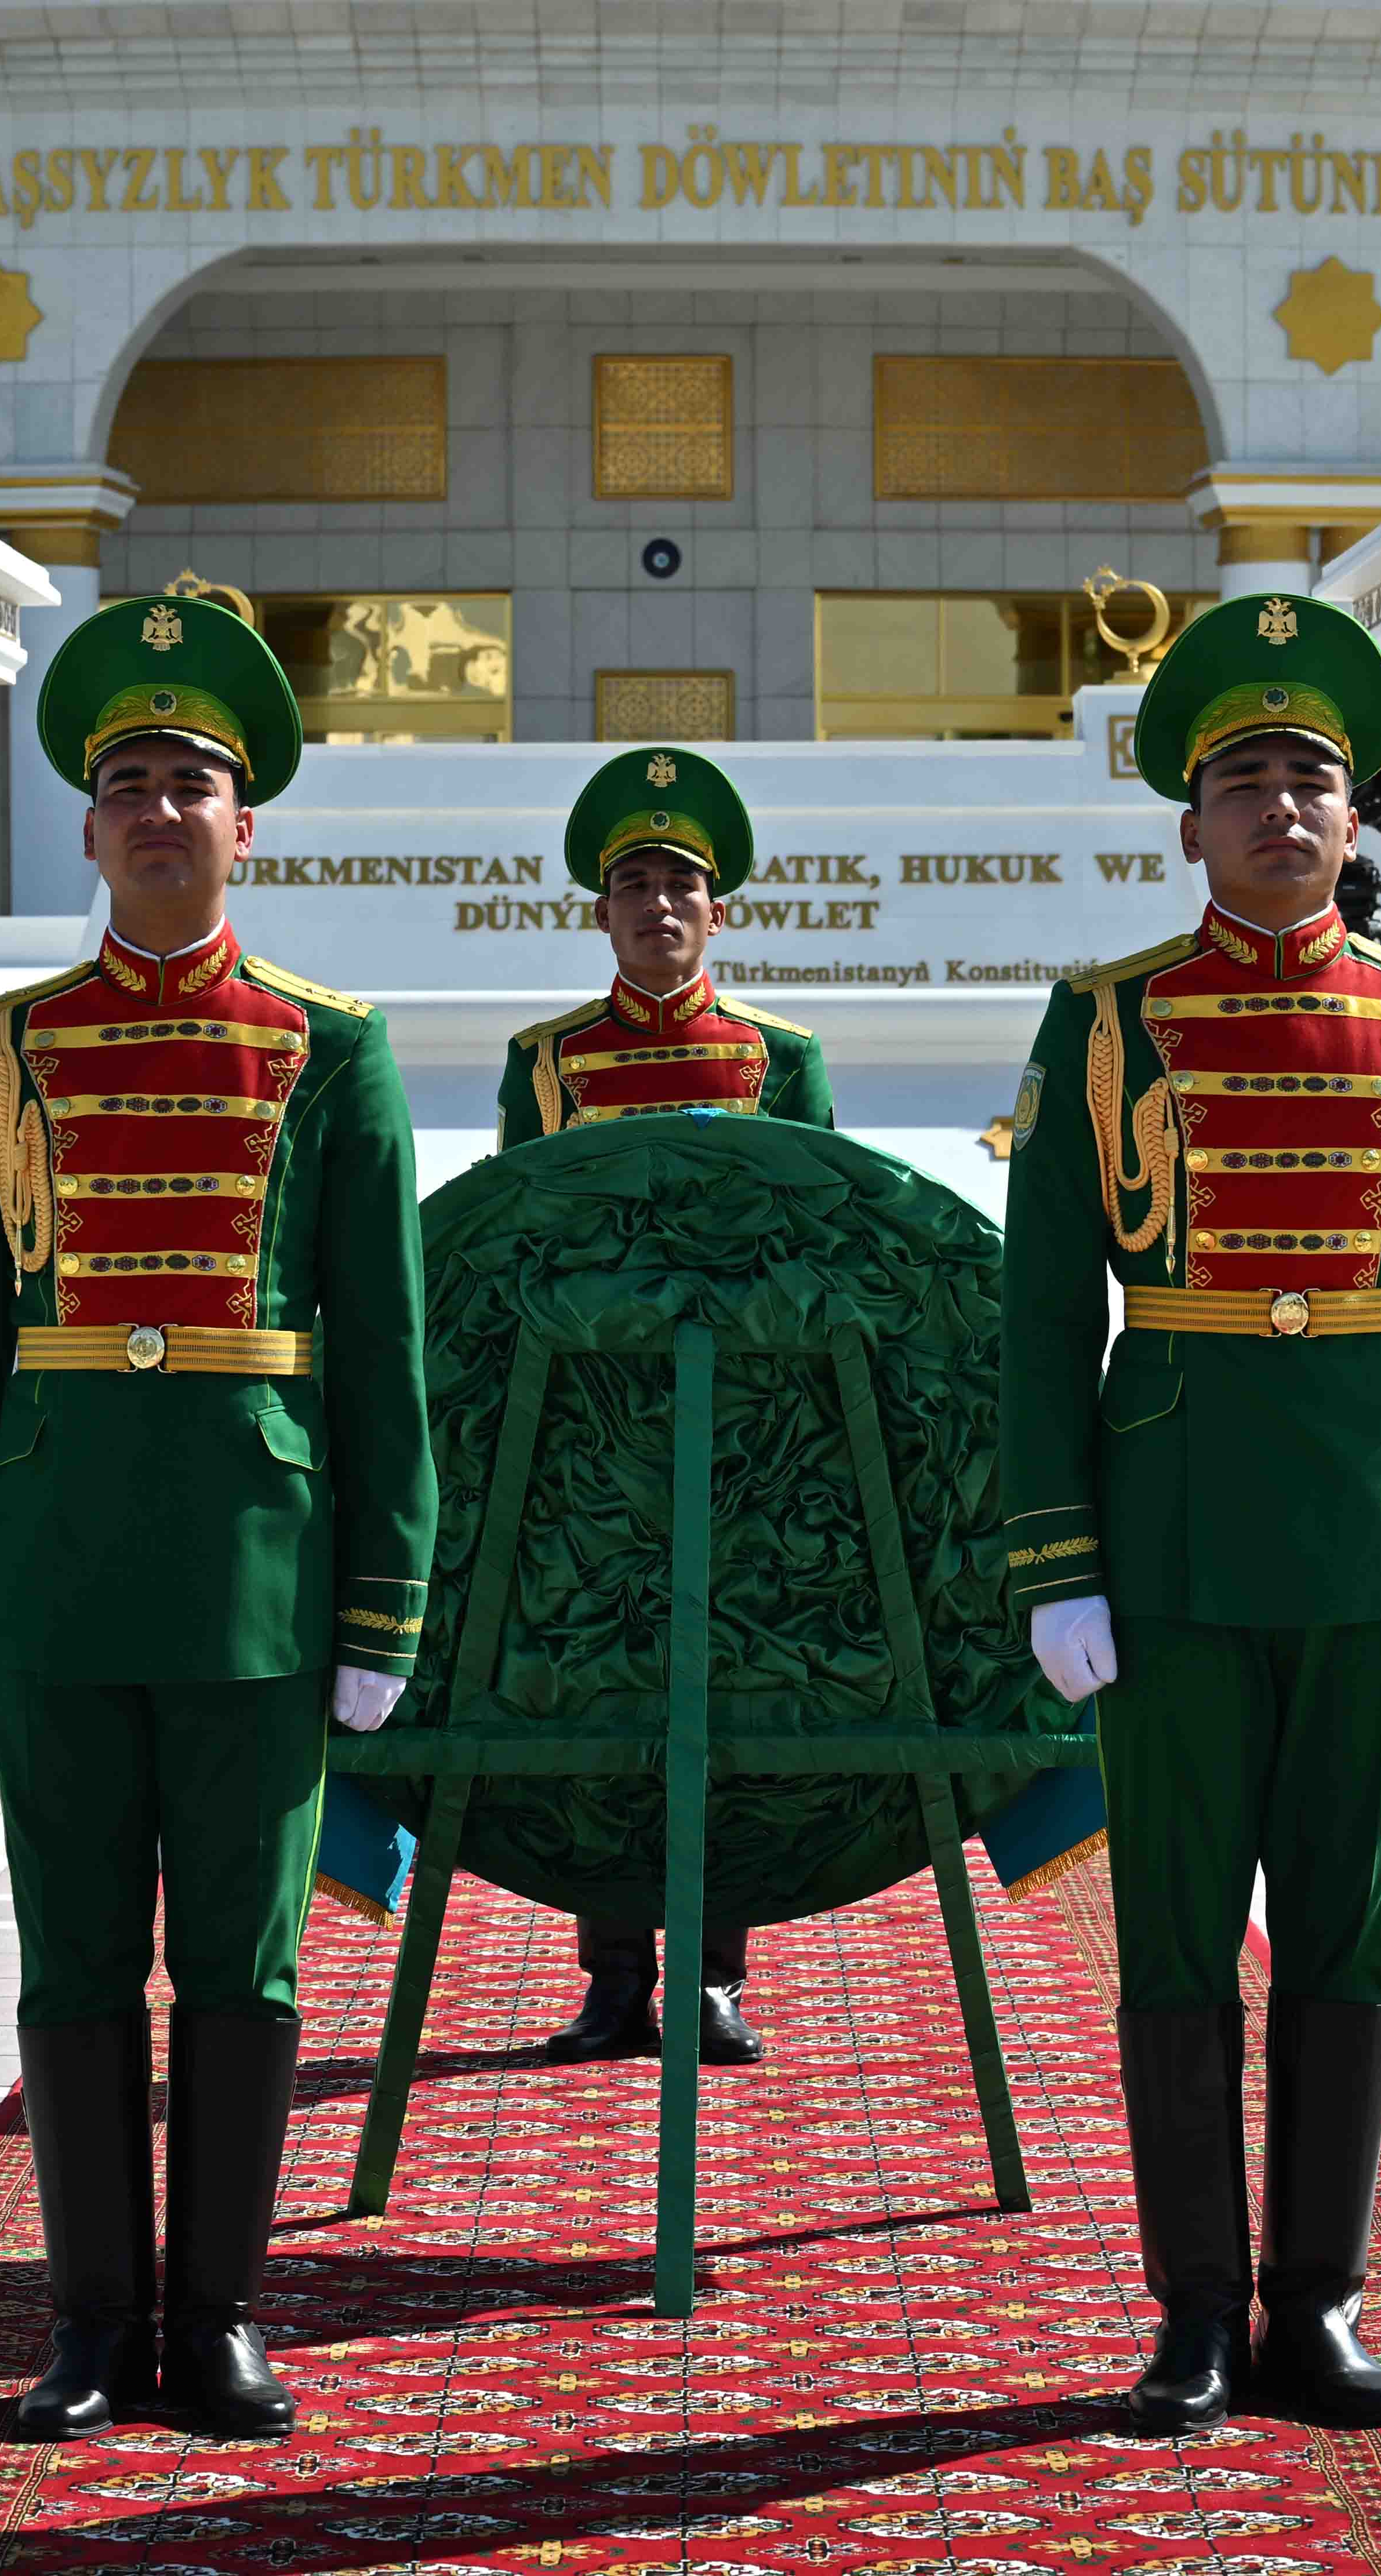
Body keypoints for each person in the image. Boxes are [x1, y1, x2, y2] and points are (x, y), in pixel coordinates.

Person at [0, 595, 435, 2445]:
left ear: (243, 824)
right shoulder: (4, 1049)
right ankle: (84, 2320)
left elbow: (383, 1351)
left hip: (256, 1578)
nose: (156, 811)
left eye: (188, 783)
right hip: (54, 1569)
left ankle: (213, 2318)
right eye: (126, 783)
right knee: (70, 1963)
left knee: (242, 1962)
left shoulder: (331, 1049)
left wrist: (382, 1603)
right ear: (87, 824)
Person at [1000, 596, 1381, 2435]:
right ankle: (1191, 2313)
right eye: (1245, 781)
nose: (1281, 807)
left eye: (1311, 777)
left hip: (1371, 1540)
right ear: (1189, 822)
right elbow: (1041, 1313)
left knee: (1343, 1937)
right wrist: (1056, 1559)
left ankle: (1313, 2302)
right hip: (1166, 1545)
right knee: (1171, 1943)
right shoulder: (1104, 1021)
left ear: (1355, 814)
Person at [492, 741, 831, 2069]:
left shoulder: (779, 1057)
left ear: (718, 910)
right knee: (602, 1703)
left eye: (680, 884)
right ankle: (611, 1976)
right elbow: (513, 1243)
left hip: (738, 1436)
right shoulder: (546, 1060)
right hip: (593, 1440)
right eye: (633, 884)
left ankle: (712, 1975)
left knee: (724, 1708)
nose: (658, 906)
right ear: (601, 911)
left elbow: (820, 1241)